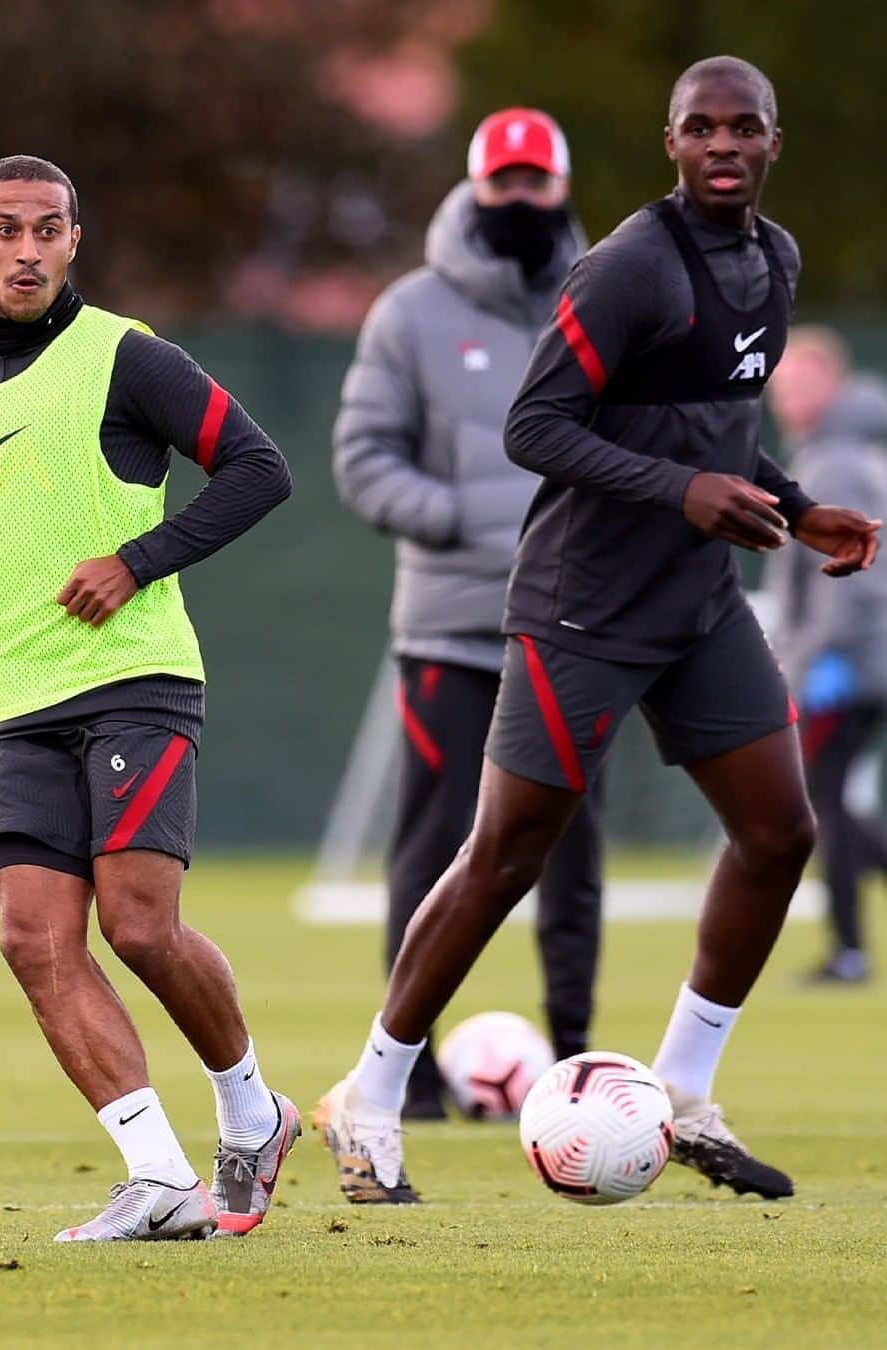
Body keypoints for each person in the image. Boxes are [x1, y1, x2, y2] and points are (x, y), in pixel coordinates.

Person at [315, 56, 881, 1206]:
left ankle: (683, 1089)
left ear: (773, 143)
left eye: (745, 128)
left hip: (698, 604)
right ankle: (368, 1096)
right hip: (582, 606)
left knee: (781, 834)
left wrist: (794, 502)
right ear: (671, 145)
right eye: (700, 129)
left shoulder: (773, 262)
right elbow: (536, 426)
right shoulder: (629, 265)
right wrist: (684, 493)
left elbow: (714, 428)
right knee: (505, 858)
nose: (723, 145)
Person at [0, 156, 299, 1242]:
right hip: (17, 704)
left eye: (48, 231)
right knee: (34, 939)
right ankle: (160, 1176)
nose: (27, 249)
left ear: (75, 241)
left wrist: (137, 559)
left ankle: (250, 1111)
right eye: (7, 230)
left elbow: (259, 468)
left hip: (138, 683)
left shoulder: (128, 357)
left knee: (137, 924)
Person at [333, 107, 603, 1117]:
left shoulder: (602, 299)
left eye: (539, 182)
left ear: (563, 187)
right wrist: (465, 518)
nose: (522, 200)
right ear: (475, 186)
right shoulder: (408, 312)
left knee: (573, 853)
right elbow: (363, 459)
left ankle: (577, 1058)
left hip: (577, 630)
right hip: (449, 628)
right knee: (434, 850)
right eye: (506, 182)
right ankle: (408, 1069)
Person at [765, 327, 887, 984]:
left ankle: (849, 954)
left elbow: (852, 569)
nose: (785, 395)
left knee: (823, 805)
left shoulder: (833, 460)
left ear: (831, 383)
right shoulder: (833, 449)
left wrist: (824, 657)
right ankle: (848, 950)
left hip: (849, 663)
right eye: (780, 383)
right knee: (831, 801)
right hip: (860, 660)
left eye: (800, 381)